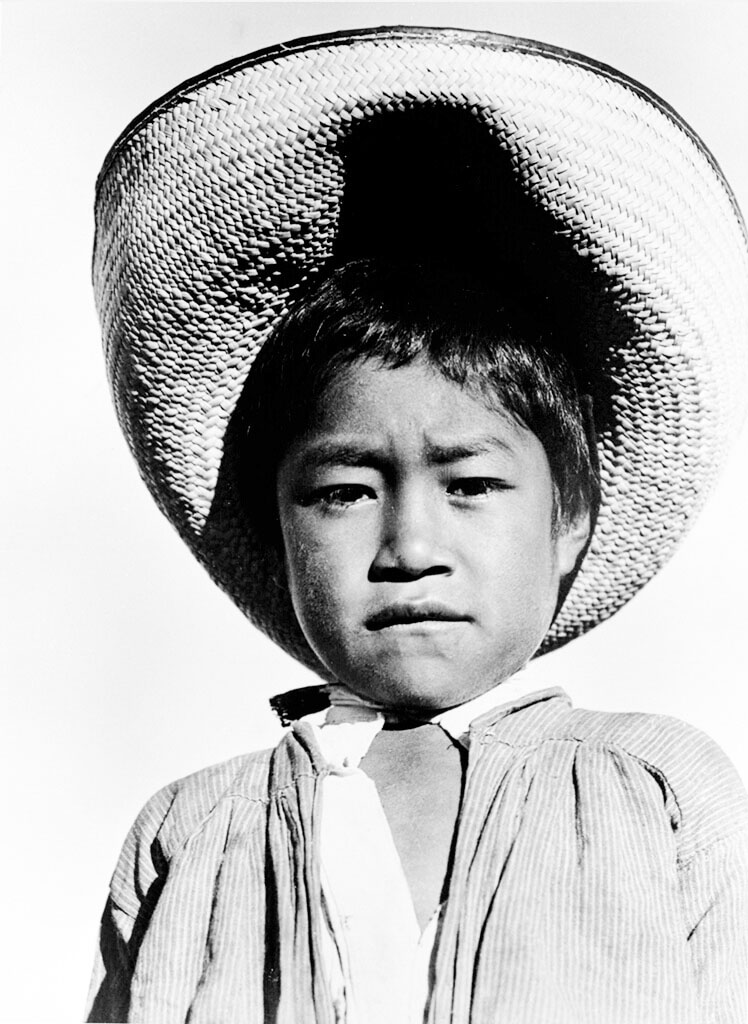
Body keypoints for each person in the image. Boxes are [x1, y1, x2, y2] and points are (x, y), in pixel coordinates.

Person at [86, 26, 748, 1024]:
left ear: (568, 519)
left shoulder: (653, 788)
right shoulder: (188, 830)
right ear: (275, 524)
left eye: (472, 485)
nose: (408, 546)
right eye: (344, 491)